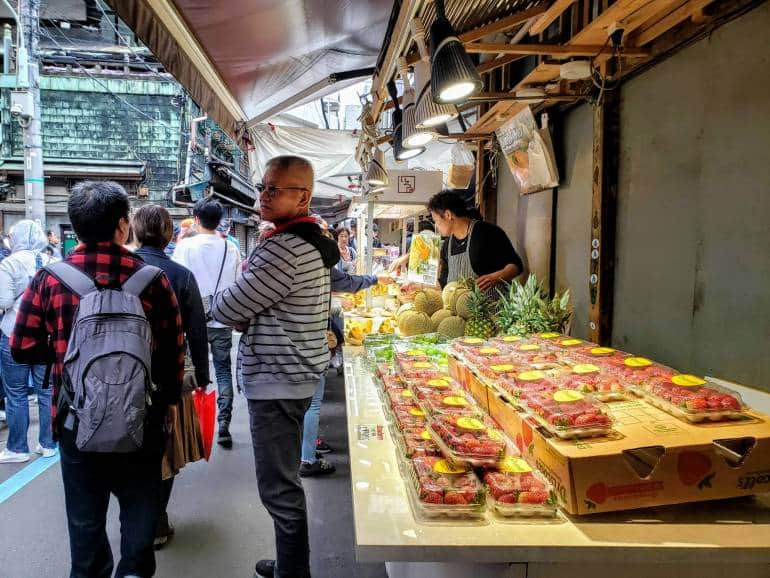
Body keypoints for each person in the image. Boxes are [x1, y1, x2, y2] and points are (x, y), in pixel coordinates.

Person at [11, 180, 184, 578]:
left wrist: (67, 359)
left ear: (74, 226)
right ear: (124, 226)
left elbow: (21, 347)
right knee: (140, 515)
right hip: (143, 417)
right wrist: (170, 405)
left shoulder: (50, 280)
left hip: (75, 419)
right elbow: (173, 353)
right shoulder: (153, 280)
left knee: (85, 522)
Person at [212, 155, 339, 578]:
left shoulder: (284, 247)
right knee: (283, 481)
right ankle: (289, 563)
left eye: (274, 189)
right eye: (263, 187)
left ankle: (293, 572)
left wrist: (244, 310)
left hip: (278, 381)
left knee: (279, 488)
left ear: (302, 196)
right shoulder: (310, 240)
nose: (263, 196)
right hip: (295, 375)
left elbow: (227, 306)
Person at [133, 204, 210, 549]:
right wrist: (203, 376)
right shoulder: (179, 275)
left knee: (131, 445)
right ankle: (157, 518)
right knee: (167, 444)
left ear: (134, 231)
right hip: (171, 376)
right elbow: (197, 331)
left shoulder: (121, 269)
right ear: (168, 234)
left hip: (125, 376)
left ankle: (137, 518)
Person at [300, 268, 388, 478]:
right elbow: (346, 282)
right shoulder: (316, 261)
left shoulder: (291, 264)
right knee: (312, 403)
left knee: (304, 402)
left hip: (298, 343)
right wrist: (374, 280)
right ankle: (308, 458)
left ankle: (307, 447)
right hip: (312, 342)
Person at [173, 198, 240, 448]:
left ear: (197, 218)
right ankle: (223, 423)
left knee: (191, 372)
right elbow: (237, 283)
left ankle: (193, 424)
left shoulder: (186, 247)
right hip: (222, 319)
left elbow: (178, 284)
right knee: (223, 370)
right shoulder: (230, 248)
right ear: (218, 220)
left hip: (193, 322)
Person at [0, 220, 57, 463]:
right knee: (46, 391)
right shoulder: (53, 263)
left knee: (16, 393)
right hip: (46, 336)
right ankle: (48, 443)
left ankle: (17, 448)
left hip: (14, 334)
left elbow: (2, 302)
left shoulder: (9, 264)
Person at [428, 191, 523, 294]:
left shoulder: (486, 233)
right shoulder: (447, 245)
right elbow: (444, 284)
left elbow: (516, 266)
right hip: (459, 310)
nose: (436, 226)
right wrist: (419, 286)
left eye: (436, 220)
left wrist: (495, 277)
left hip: (493, 307)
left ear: (448, 215)